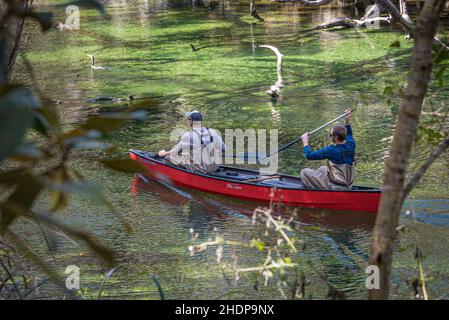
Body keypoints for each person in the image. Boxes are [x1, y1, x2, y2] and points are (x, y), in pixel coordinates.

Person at [300, 108, 355, 189]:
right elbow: (349, 133)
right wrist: (347, 120)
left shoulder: (331, 150)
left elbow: (309, 155)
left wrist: (305, 142)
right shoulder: (351, 144)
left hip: (337, 186)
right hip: (348, 183)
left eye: (331, 135)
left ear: (335, 137)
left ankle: (310, 191)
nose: (330, 137)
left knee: (304, 172)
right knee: (323, 169)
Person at [158, 110, 225, 174]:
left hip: (203, 169)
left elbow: (174, 152)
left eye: (188, 120)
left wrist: (164, 153)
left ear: (191, 121)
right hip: (215, 167)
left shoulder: (188, 135)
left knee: (169, 157)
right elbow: (223, 148)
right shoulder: (212, 131)